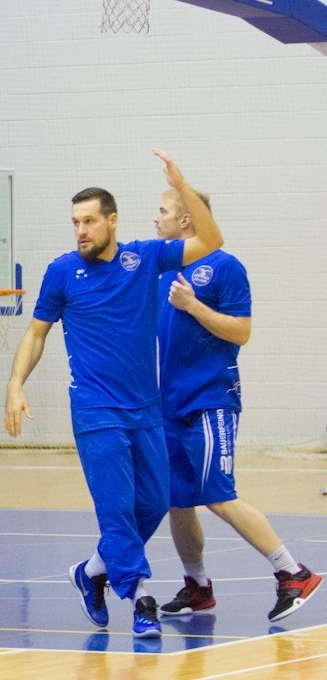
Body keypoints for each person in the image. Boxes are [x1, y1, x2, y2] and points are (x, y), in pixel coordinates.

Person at [4, 150, 225, 640]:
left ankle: (93, 570)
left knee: (154, 502)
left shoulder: (144, 258)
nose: (80, 230)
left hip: (147, 410)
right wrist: (16, 384)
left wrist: (183, 184)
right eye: (74, 222)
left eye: (88, 221)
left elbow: (211, 238)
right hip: (95, 408)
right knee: (118, 508)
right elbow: (37, 333)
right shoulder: (62, 272)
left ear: (112, 221)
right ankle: (140, 597)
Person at [153, 189, 321, 622]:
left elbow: (241, 332)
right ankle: (198, 586)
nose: (156, 219)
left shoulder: (225, 268)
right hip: (168, 403)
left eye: (163, 211)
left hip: (210, 400)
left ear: (188, 220)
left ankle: (293, 572)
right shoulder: (161, 271)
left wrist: (192, 305)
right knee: (177, 499)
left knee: (218, 496)